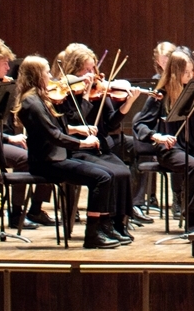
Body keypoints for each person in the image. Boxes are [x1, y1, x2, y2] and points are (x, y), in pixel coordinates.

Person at [12, 56, 120, 249]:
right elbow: (54, 136)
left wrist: (78, 130)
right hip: (46, 162)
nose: (50, 76)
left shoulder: (40, 98)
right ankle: (92, 234)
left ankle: (104, 227)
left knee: (108, 175)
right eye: (46, 72)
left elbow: (57, 129)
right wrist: (83, 144)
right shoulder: (32, 103)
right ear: (37, 74)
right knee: (102, 178)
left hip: (56, 157)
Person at [132, 50, 194, 232]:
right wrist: (158, 137)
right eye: (187, 73)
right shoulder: (160, 96)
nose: (191, 76)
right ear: (175, 73)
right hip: (170, 149)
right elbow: (139, 124)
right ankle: (191, 218)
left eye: (192, 72)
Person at [53, 43, 142, 242]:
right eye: (86, 69)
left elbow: (110, 123)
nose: (91, 74)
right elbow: (73, 121)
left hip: (99, 146)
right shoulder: (65, 93)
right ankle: (104, 224)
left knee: (124, 172)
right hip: (77, 148)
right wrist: (84, 96)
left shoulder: (99, 90)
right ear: (74, 70)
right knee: (111, 173)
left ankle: (119, 223)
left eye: (92, 68)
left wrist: (127, 105)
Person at [0, 39, 54, 229]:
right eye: (4, 63)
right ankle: (15, 216)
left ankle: (36, 209)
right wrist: (9, 138)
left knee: (48, 152)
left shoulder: (2, 85)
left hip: (3, 142)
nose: (8, 67)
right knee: (24, 159)